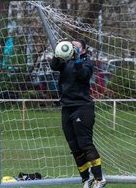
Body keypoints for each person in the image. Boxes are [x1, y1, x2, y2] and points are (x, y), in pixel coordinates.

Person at [50, 39, 106, 188]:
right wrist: (58, 52)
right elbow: (54, 65)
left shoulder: (86, 62)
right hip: (67, 108)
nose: (73, 47)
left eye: (76, 46)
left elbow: (83, 75)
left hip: (82, 107)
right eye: (71, 45)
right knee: (74, 146)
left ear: (83, 49)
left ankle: (99, 178)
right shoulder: (65, 62)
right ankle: (85, 179)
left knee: (85, 144)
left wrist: (76, 59)